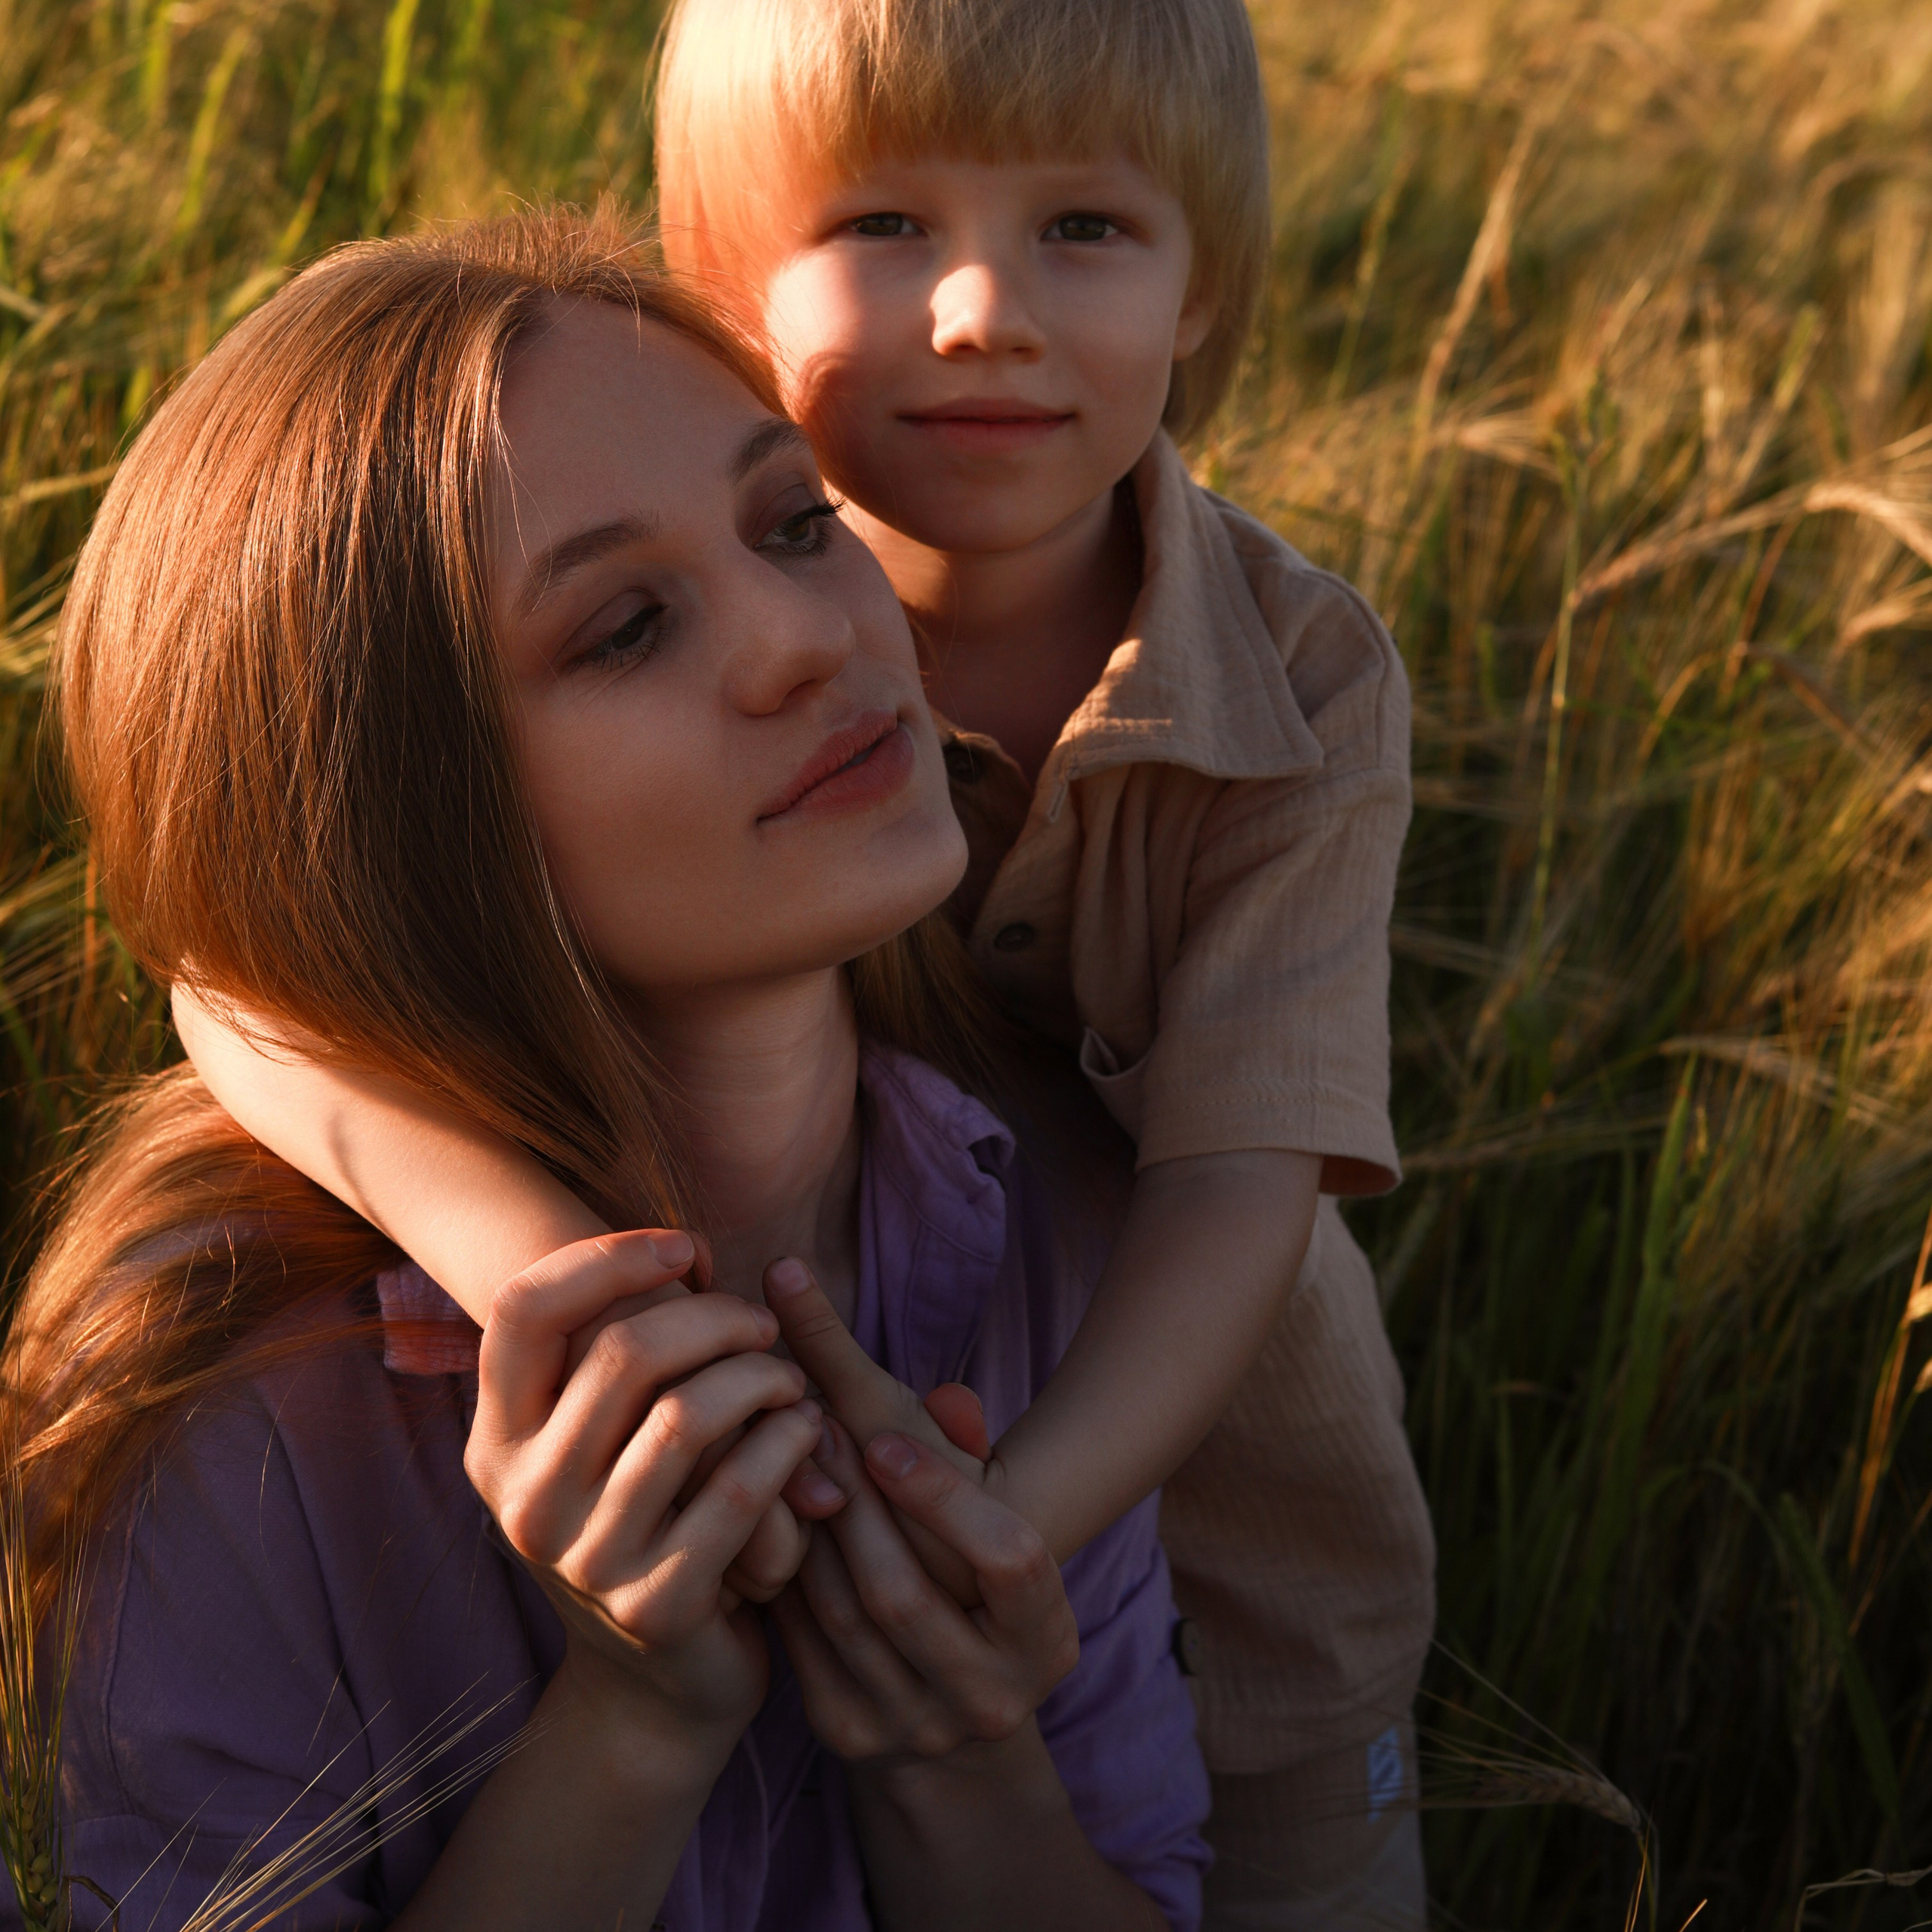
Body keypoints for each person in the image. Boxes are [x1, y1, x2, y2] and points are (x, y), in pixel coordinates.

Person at [174, 1, 1438, 1922]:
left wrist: (985, 1525)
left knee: (1288, 1838)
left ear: (1206, 286)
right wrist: (551, 1286)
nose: (978, 313)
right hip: (828, 1302)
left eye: (1085, 229)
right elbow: (256, 972)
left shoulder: (1305, 677)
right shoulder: (742, 576)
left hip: (1202, 1407)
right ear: (724, 296)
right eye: (881, 226)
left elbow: (1237, 1175)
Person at [6, 208, 1209, 1932]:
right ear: (391, 823)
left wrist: (956, 1751)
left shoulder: (1047, 1212)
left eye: (797, 523)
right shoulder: (215, 1392)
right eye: (625, 627)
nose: (808, 634)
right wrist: (638, 1724)